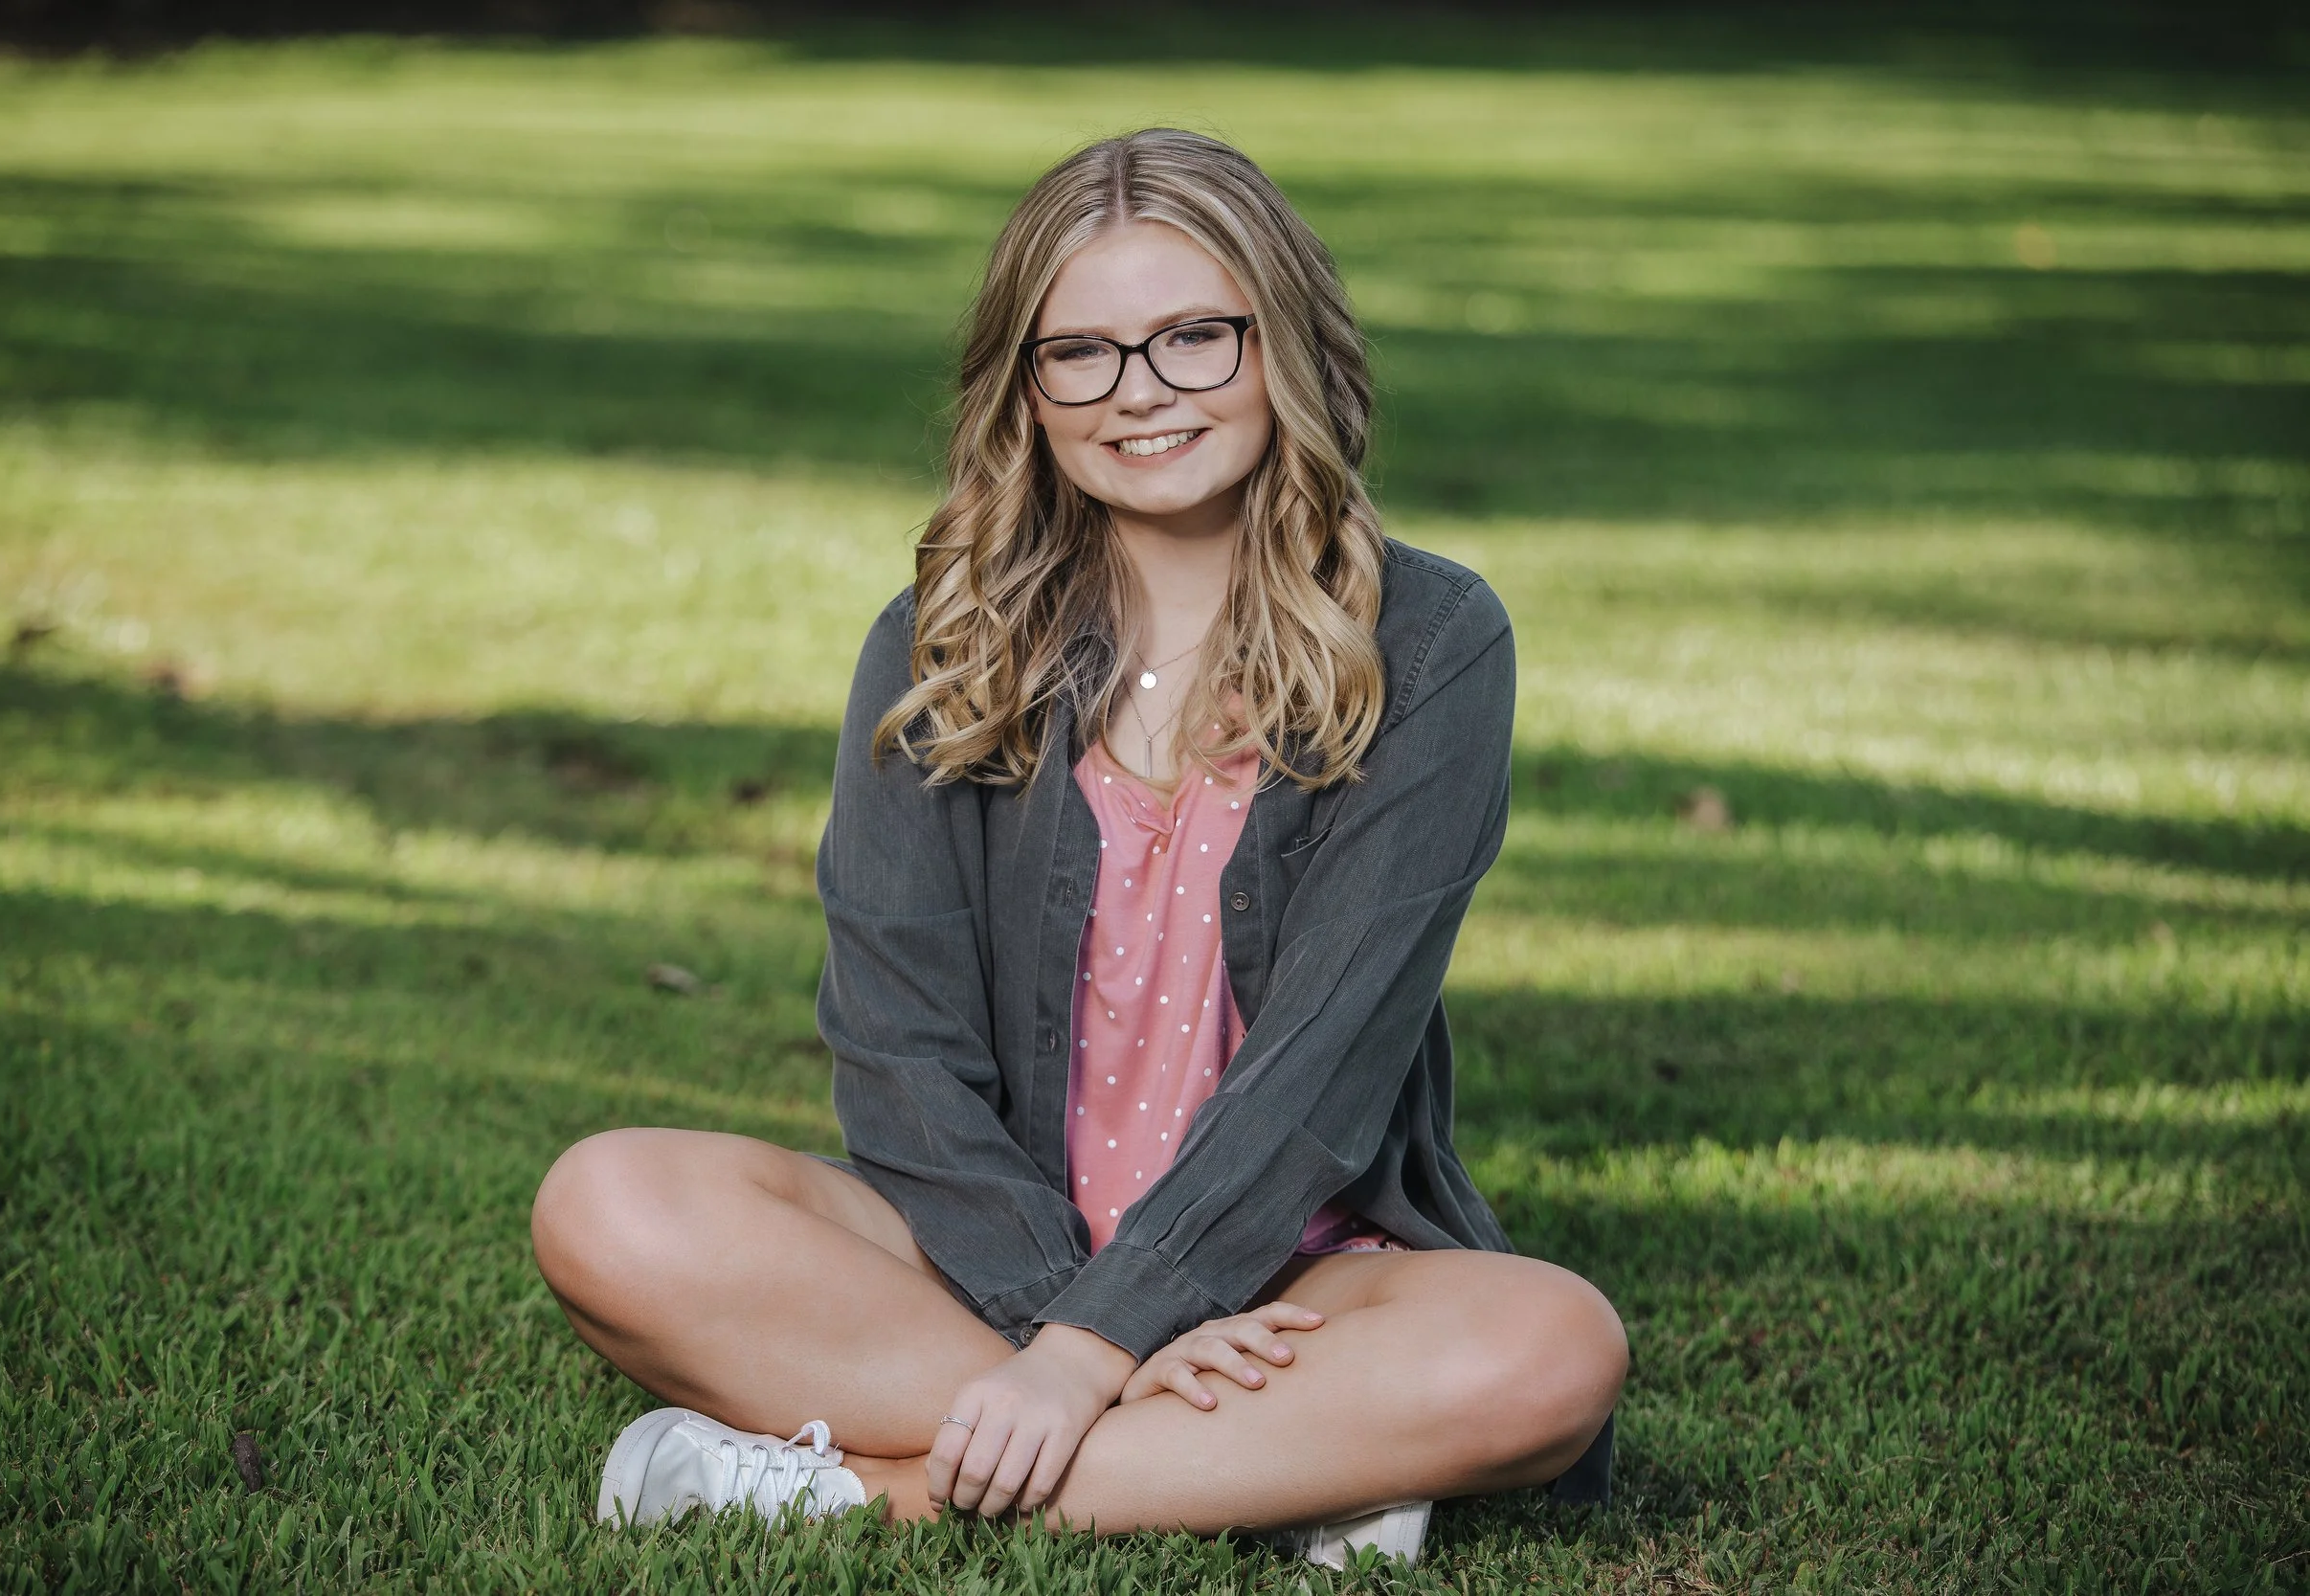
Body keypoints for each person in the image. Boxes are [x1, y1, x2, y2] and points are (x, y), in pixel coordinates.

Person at [529, 127, 1627, 1569]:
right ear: (1027, 390)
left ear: (1281, 343)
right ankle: (1270, 1471)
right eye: (1085, 354)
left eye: (1193, 337)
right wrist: (1066, 1322)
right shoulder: (943, 648)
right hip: (977, 1261)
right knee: (608, 1200)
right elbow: (899, 1054)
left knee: (1550, 1345)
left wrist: (1103, 1337)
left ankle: (859, 1487)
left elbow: (1324, 1070)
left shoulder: (1424, 642)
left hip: (1297, 1273)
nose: (1142, 394)